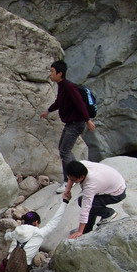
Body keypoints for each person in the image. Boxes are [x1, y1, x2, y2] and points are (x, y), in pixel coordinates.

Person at [40, 60, 96, 193]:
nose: (50, 74)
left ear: (60, 73)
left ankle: (69, 180)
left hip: (76, 124)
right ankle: (78, 174)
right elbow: (59, 102)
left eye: (52, 71)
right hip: (71, 123)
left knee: (65, 151)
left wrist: (87, 120)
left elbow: (80, 103)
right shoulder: (62, 86)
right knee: (63, 149)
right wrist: (48, 110)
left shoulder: (69, 87)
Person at [63, 160, 126, 239]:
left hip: (117, 192)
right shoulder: (80, 165)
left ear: (82, 177)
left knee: (83, 202)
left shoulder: (90, 185)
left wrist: (79, 231)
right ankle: (87, 229)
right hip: (112, 182)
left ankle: (108, 213)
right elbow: (71, 177)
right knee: (92, 203)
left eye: (73, 180)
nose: (71, 181)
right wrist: (67, 190)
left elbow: (86, 208)